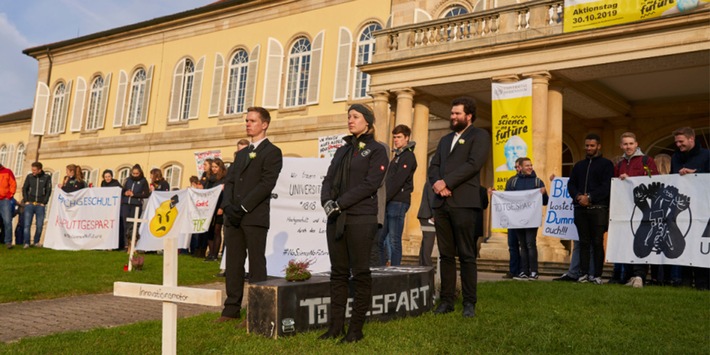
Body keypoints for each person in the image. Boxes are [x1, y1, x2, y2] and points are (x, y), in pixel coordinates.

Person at [319, 103, 388, 342]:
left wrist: (341, 203)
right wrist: (327, 202)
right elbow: (327, 178)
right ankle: (335, 326)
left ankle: (356, 329)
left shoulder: (377, 150)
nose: (350, 120)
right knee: (337, 273)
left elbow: (371, 183)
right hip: (336, 219)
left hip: (361, 218)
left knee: (360, 273)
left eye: (355, 117)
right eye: (349, 116)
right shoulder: (342, 150)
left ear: (367, 121)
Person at [217, 106, 283, 325]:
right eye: (247, 121)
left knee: (256, 264)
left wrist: (243, 207)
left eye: (252, 121)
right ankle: (231, 309)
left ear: (264, 124)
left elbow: (266, 184)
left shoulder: (272, 152)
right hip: (233, 217)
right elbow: (230, 180)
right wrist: (228, 206)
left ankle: (256, 311)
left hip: (254, 216)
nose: (248, 124)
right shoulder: (242, 153)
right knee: (234, 264)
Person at [428, 97, 490, 318]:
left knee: (466, 254)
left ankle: (469, 302)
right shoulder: (445, 140)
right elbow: (433, 166)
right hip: (442, 204)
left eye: (457, 114)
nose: (452, 117)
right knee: (445, 255)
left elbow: (473, 164)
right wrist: (437, 183)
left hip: (465, 202)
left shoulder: (480, 136)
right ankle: (446, 300)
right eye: (452, 113)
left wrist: (448, 182)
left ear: (469, 116)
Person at [613, 132, 659, 288]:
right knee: (627, 241)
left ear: (636, 144)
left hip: (643, 208)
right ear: (621, 146)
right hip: (625, 209)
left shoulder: (647, 160)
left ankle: (640, 276)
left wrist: (631, 179)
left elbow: (655, 180)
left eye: (631, 143)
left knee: (641, 239)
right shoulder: (618, 165)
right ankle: (631, 276)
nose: (628, 147)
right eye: (625, 144)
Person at [567, 133, 614, 285]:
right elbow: (571, 184)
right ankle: (584, 273)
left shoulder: (606, 164)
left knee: (597, 242)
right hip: (580, 209)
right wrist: (578, 197)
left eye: (592, 146)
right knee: (583, 242)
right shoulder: (579, 165)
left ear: (598, 146)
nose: (589, 148)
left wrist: (590, 197)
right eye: (587, 145)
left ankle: (597, 275)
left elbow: (607, 186)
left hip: (598, 209)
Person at [670, 127, 709, 290]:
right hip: (683, 209)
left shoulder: (707, 155)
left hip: (703, 208)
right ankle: (685, 281)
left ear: (691, 139)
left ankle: (703, 283)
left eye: (681, 141)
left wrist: (696, 173)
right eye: (676, 142)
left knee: (700, 244)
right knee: (685, 241)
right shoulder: (675, 157)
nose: (678, 145)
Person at [379, 124, 417, 266]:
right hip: (389, 201)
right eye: (394, 137)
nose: (396, 140)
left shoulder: (408, 156)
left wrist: (385, 197)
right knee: (380, 239)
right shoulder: (396, 157)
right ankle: (382, 269)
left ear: (407, 138)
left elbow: (399, 180)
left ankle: (395, 271)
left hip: (398, 201)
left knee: (394, 240)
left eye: (399, 137)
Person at [506, 157, 548, 280]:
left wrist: (544, 193)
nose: (530, 167)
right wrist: (496, 194)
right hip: (517, 219)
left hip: (531, 219)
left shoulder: (538, 182)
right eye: (527, 166)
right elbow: (506, 199)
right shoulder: (513, 182)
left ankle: (534, 271)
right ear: (520, 168)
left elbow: (545, 202)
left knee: (530, 244)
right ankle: (524, 271)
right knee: (522, 245)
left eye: (531, 165)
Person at [501, 157, 524, 279]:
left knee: (526, 245)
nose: (517, 169)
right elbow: (505, 197)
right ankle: (513, 270)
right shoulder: (511, 181)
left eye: (518, 167)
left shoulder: (533, 180)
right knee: (513, 245)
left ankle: (525, 270)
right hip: (512, 219)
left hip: (526, 219)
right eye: (516, 167)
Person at [120, 164, 150, 251]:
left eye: (137, 173)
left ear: (140, 173)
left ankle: (133, 245)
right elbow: (122, 190)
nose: (135, 175)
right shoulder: (128, 180)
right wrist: (125, 193)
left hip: (136, 204)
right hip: (126, 204)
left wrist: (134, 195)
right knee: (125, 224)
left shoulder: (143, 181)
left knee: (133, 225)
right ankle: (126, 244)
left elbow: (146, 194)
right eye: (133, 173)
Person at [22, 162, 52, 248]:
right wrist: (26, 200)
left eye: (34, 170)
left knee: (39, 225)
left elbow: (48, 190)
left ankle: (36, 241)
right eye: (32, 169)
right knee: (27, 224)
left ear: (40, 169)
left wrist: (44, 202)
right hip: (30, 204)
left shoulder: (47, 177)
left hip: (40, 205)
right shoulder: (29, 177)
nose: (33, 171)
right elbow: (25, 188)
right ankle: (26, 242)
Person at [205, 158, 227, 262]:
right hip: (209, 207)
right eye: (212, 167)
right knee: (209, 230)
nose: (214, 169)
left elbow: (225, 194)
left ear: (220, 167)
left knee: (217, 231)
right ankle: (210, 253)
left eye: (216, 167)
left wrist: (222, 207)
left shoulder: (224, 179)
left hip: (219, 206)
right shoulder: (209, 179)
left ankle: (215, 254)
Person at [417, 180, 436, 267]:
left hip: (426, 214)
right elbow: (432, 199)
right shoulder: (432, 182)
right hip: (428, 215)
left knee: (426, 241)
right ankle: (426, 265)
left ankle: (422, 264)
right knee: (429, 241)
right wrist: (434, 215)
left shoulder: (430, 182)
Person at [0, 163, 17, 249]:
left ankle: (8, 241)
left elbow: (13, 184)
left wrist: (10, 195)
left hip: (5, 200)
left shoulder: (7, 172)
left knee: (7, 221)